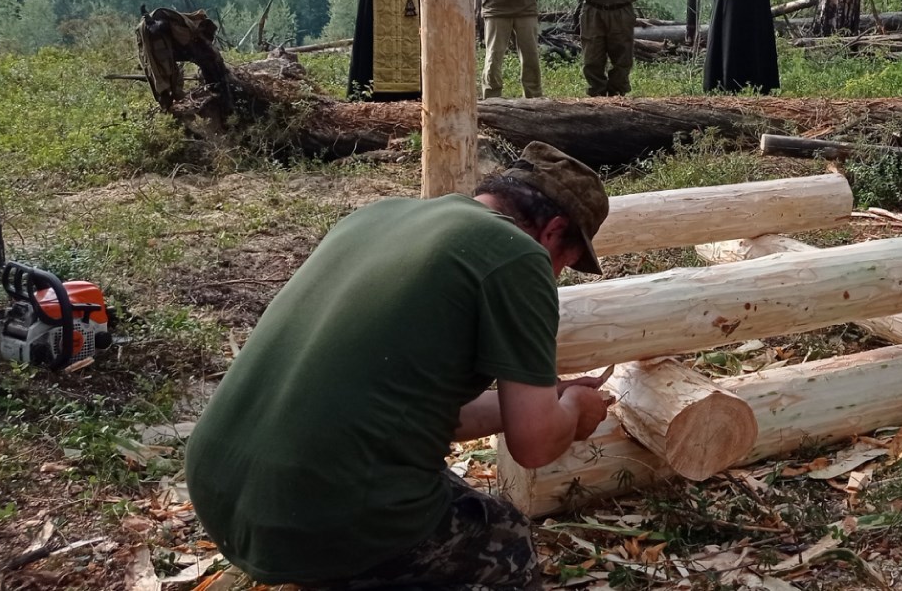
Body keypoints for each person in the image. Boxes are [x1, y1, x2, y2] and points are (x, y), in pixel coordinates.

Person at [186, 141, 613, 590]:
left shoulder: (379, 216)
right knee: (505, 543)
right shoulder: (517, 255)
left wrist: (549, 400)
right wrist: (575, 412)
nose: (557, 275)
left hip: (220, 485)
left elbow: (417, 412)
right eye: (565, 263)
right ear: (553, 231)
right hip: (319, 513)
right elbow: (536, 447)